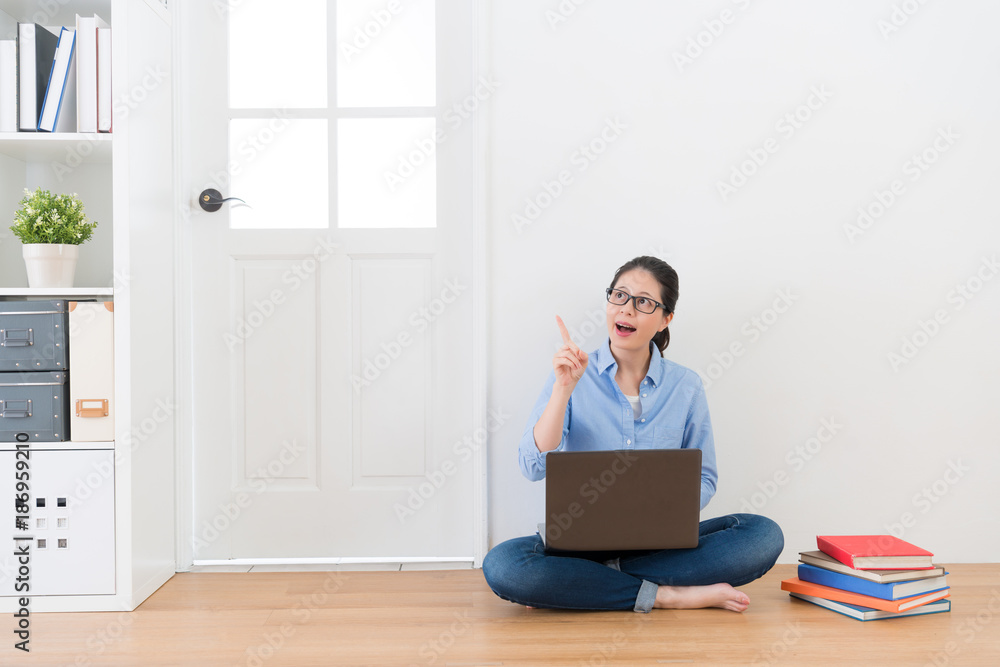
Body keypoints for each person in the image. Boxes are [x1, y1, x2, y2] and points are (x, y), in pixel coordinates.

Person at [482, 256, 783, 613]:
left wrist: (661, 515)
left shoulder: (685, 386)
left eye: (643, 302)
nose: (627, 310)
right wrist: (563, 390)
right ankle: (666, 595)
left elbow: (704, 477)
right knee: (503, 565)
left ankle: (583, 582)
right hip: (579, 544)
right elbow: (531, 466)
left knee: (761, 534)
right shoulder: (573, 373)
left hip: (661, 546)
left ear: (665, 318)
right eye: (620, 296)